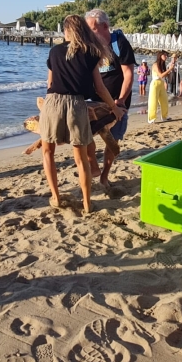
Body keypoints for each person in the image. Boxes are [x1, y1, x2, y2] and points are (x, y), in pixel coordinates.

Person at [40, 14, 123, 213]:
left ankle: (56, 197)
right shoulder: (91, 52)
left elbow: (49, 83)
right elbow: (100, 88)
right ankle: (87, 204)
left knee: (48, 152)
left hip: (52, 103)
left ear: (66, 31)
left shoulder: (54, 51)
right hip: (77, 105)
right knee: (81, 158)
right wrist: (114, 108)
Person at [85, 9, 135, 189]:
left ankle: (104, 177)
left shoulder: (119, 43)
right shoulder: (90, 46)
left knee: (112, 143)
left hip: (117, 103)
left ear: (105, 26)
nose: (90, 33)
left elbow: (128, 74)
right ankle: (93, 166)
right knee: (84, 136)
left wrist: (120, 100)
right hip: (93, 102)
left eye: (93, 29)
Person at [148, 51, 174, 123]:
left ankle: (164, 116)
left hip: (161, 83)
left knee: (164, 100)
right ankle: (151, 118)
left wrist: (170, 71)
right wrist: (169, 69)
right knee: (153, 101)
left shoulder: (163, 65)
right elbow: (161, 75)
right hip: (155, 83)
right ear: (160, 56)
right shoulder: (155, 64)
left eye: (166, 55)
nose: (166, 57)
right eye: (165, 55)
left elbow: (166, 77)